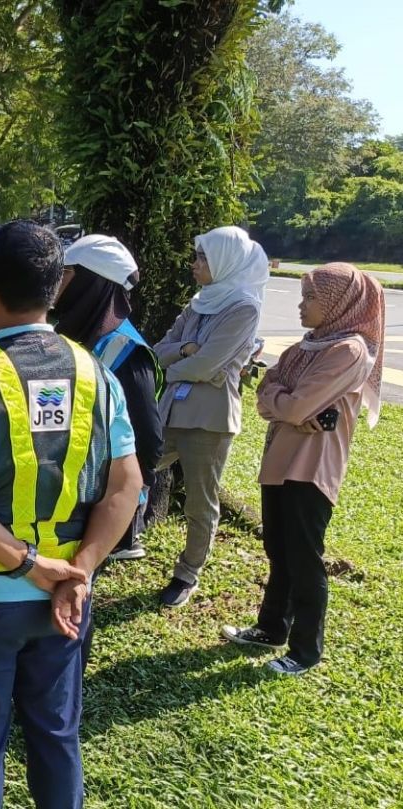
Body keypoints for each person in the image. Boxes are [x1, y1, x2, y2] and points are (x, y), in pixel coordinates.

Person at [0, 220, 142, 809]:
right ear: (56, 288)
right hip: (68, 599)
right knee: (56, 736)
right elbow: (127, 484)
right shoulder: (99, 375)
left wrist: (30, 567)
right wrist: (80, 569)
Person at [223, 263, 384, 676]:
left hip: (312, 468)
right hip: (281, 461)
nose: (301, 305)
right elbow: (268, 393)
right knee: (278, 550)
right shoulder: (308, 346)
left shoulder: (348, 350)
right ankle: (271, 628)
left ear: (338, 302)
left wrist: (283, 402)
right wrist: (283, 401)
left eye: (311, 297)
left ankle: (306, 650)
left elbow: (293, 405)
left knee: (304, 559)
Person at [154, 226, 267, 607]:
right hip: (170, 409)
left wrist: (184, 361)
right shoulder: (201, 301)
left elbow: (206, 366)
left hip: (209, 419)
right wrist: (188, 350)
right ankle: (119, 542)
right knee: (132, 470)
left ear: (224, 261)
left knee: (200, 502)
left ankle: (187, 574)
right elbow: (160, 348)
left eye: (202, 257)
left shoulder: (244, 307)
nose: (194, 264)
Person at [54, 234, 163, 561]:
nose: (59, 282)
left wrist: (122, 506)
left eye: (67, 273)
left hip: (95, 503)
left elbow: (149, 439)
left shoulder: (124, 351)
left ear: (92, 284)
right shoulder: (74, 331)